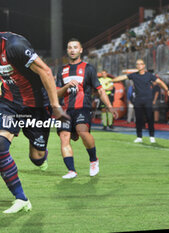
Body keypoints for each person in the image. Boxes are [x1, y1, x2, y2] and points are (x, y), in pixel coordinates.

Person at [0, 10, 69, 214]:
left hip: (36, 106)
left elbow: (45, 71)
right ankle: (21, 198)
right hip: (8, 103)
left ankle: (42, 156)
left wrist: (55, 107)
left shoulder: (15, 45)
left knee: (37, 158)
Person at [56, 38, 118, 179]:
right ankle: (72, 171)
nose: (72, 50)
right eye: (70, 47)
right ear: (67, 50)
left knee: (82, 132)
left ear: (81, 50)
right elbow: (57, 92)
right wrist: (66, 87)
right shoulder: (62, 70)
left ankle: (93, 160)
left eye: (75, 47)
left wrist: (110, 107)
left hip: (82, 107)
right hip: (65, 110)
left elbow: (100, 90)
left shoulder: (88, 68)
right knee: (64, 138)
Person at [113, 59, 169, 143]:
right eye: (137, 64)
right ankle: (139, 137)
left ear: (144, 65)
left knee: (150, 118)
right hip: (138, 100)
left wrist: (167, 90)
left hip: (148, 100)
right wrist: (112, 80)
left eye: (140, 64)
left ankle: (152, 137)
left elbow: (160, 82)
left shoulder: (149, 75)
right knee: (139, 119)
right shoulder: (134, 75)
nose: (139, 65)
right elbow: (123, 77)